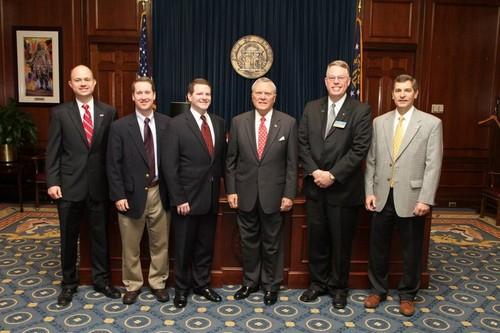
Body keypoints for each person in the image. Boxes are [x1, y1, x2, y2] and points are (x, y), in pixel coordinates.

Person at [364, 74, 443, 316]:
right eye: (398, 90)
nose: (402, 94)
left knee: (411, 249)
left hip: (412, 198)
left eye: (407, 90)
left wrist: (425, 198)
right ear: (392, 94)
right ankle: (378, 290)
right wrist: (369, 191)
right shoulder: (379, 122)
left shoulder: (430, 123)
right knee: (378, 247)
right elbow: (371, 160)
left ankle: (408, 295)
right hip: (381, 196)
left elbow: (433, 164)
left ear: (415, 93)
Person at [298, 60, 372, 309]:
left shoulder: (360, 110)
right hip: (315, 188)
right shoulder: (311, 108)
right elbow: (302, 143)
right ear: (325, 81)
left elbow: (359, 149)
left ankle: (339, 288)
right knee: (317, 240)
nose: (336, 82)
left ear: (349, 81)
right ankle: (318, 284)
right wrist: (315, 171)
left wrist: (332, 174)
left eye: (341, 78)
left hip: (343, 190)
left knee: (341, 243)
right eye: (332, 78)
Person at [46, 65, 120, 306]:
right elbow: (53, 151)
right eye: (78, 80)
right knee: (69, 238)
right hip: (68, 187)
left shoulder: (108, 112)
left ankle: (102, 281)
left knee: (100, 237)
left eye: (87, 79)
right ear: (70, 84)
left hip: (99, 187)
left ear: (95, 83)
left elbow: (112, 151)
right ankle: (68, 284)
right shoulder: (60, 113)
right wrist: (53, 181)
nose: (83, 83)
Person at [226, 77, 298, 306]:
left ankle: (270, 285)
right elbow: (231, 160)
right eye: (259, 93)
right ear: (252, 96)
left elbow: (292, 164)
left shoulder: (288, 123)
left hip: (275, 196)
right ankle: (250, 282)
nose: (263, 97)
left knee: (272, 243)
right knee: (248, 242)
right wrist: (231, 190)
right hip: (244, 194)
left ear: (274, 98)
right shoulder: (238, 122)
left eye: (268, 94)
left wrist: (289, 194)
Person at [106, 77, 171, 305]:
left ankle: (157, 283)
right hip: (131, 195)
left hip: (160, 192)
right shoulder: (120, 127)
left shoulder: (167, 124)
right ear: (133, 96)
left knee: (160, 243)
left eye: (148, 92)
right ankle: (132, 285)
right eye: (139, 93)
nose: (144, 96)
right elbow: (113, 165)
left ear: (154, 96)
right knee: (130, 245)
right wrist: (119, 194)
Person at [163, 78, 226, 308]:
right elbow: (170, 166)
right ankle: (181, 289)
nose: (204, 98)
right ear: (189, 96)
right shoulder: (176, 124)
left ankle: (202, 284)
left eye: (207, 94)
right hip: (186, 200)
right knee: (183, 247)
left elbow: (218, 161)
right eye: (199, 94)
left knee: (204, 246)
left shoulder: (218, 123)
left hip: (209, 198)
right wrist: (179, 198)